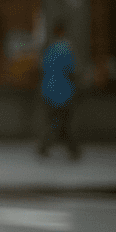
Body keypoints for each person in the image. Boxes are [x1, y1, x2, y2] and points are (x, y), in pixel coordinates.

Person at [38, 21, 80, 160]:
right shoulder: (65, 49)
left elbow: (43, 69)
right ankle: (72, 150)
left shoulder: (49, 50)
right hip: (63, 91)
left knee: (55, 121)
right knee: (63, 122)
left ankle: (45, 146)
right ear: (64, 32)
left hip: (48, 90)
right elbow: (71, 71)